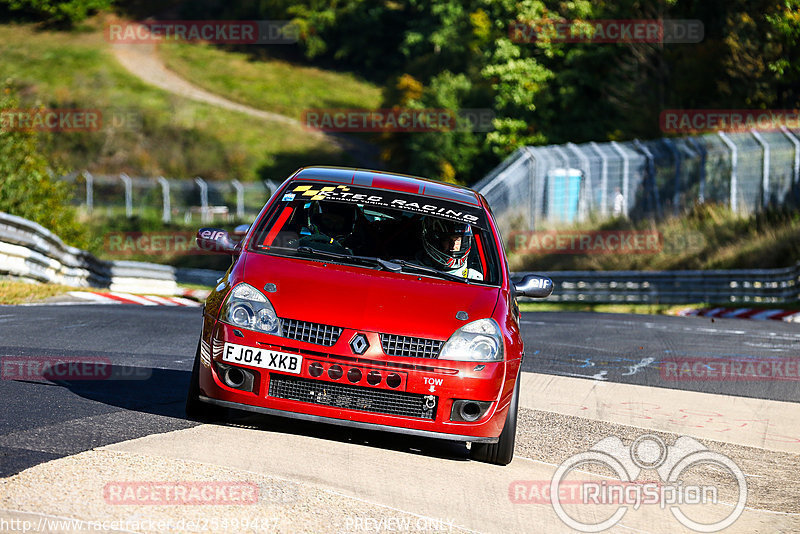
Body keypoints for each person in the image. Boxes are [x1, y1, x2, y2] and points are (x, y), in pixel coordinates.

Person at [418, 217, 483, 281]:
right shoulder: (413, 269)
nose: (453, 246)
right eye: (447, 240)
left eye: (457, 240)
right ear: (434, 240)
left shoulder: (475, 278)